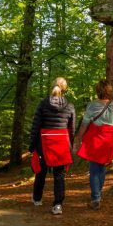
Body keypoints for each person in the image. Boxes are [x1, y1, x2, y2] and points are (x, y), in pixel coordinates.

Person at [75, 79, 113, 210]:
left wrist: (79, 138)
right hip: (109, 139)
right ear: (110, 92)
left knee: (94, 169)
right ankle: (98, 194)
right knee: (102, 167)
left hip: (95, 139)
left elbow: (85, 124)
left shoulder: (92, 105)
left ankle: (96, 198)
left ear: (98, 91)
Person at [29, 77, 75, 215]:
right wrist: (70, 147)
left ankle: (37, 198)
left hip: (44, 142)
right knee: (59, 175)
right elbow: (71, 130)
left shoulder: (43, 104)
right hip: (61, 144)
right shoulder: (70, 106)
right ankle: (58, 205)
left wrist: (32, 145)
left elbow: (35, 126)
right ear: (64, 89)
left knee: (41, 172)